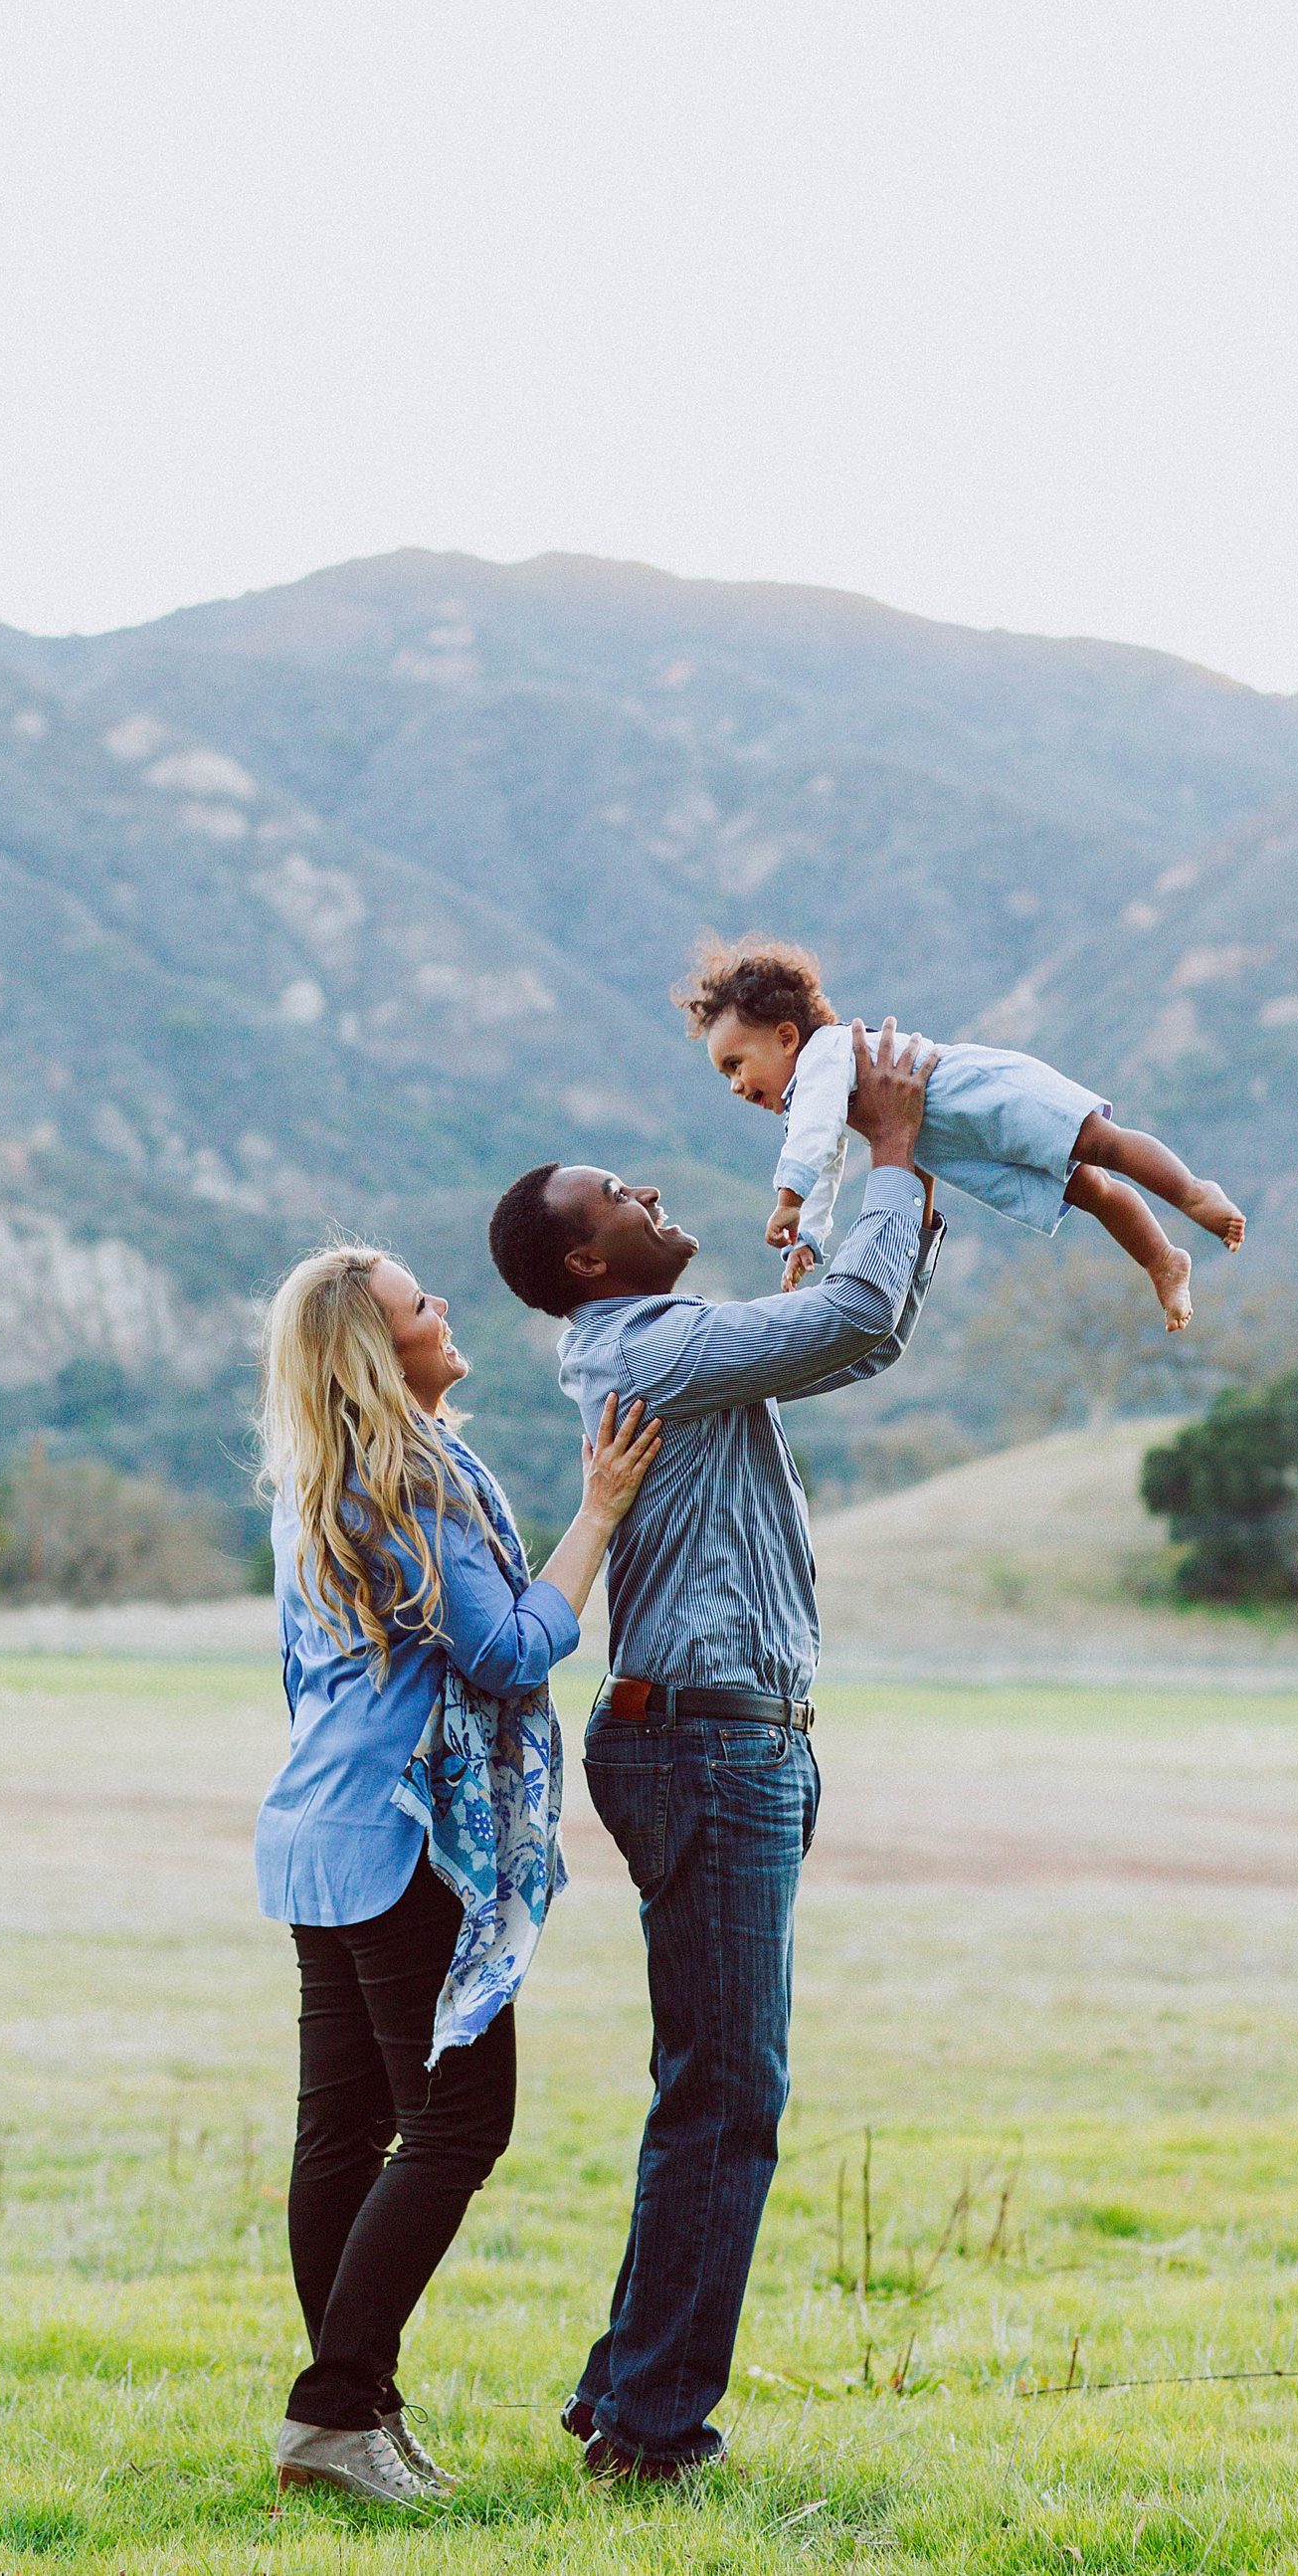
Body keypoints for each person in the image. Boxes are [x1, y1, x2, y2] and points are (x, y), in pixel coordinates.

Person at [485, 1018, 944, 2483]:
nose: (654, 1195)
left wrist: (892, 1199)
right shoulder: (651, 1349)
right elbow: (857, 1327)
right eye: (624, 1194)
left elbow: (844, 1325)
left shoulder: (666, 1348)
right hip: (707, 1751)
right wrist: (889, 1150)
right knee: (729, 2091)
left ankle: (627, 2394)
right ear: (585, 1263)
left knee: (713, 2081)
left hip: (727, 1747)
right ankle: (650, 2432)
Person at [254, 1244, 659, 2508]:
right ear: (383, 1353)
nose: (444, 1311)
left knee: (344, 2131)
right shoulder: (408, 1487)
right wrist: (598, 1513)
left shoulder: (316, 1485)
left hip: (318, 1830)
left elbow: (300, 1673)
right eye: (420, 1304)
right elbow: (508, 1651)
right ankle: (331, 2410)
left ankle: (357, 2410)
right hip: (406, 1838)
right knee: (458, 2123)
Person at [679, 931, 1243, 1329]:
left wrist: (787, 1200)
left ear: (784, 1037)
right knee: (1088, 1188)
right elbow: (825, 1160)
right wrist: (809, 1234)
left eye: (736, 1063)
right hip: (958, 1145)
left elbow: (811, 1143)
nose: (734, 1084)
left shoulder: (825, 1053)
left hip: (983, 1096)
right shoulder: (816, 1096)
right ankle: (1161, 1259)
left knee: (1099, 1142)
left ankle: (1193, 1192)